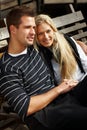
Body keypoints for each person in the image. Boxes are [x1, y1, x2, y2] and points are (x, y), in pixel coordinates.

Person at [0, 6, 87, 130]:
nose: (33, 32)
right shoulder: (7, 69)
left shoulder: (34, 49)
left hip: (63, 100)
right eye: (27, 27)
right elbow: (26, 108)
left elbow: (53, 35)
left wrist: (80, 44)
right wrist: (58, 90)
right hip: (44, 116)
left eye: (33, 28)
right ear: (13, 30)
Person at [34, 14, 87, 85]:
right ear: (36, 36)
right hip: (67, 91)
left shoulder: (68, 41)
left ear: (53, 30)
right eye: (40, 34)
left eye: (48, 31)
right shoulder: (39, 55)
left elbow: (85, 64)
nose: (46, 37)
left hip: (83, 81)